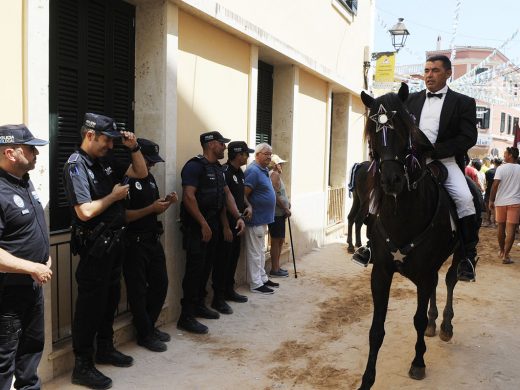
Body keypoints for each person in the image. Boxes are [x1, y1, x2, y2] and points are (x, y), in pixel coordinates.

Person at [353, 55, 479, 282]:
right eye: (427, 70)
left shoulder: (464, 102)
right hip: (411, 161)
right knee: (375, 196)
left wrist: (435, 151)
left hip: (445, 161)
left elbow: (468, 137)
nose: (429, 75)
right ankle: (371, 245)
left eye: (435, 71)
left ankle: (467, 257)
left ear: (448, 73)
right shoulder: (408, 100)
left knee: (465, 200)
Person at [63, 113, 148, 389]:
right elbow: (85, 211)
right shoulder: (76, 166)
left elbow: (142, 172)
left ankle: (105, 348)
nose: (110, 147)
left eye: (114, 142)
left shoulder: (106, 161)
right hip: (94, 247)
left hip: (114, 243)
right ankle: (83, 366)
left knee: (110, 300)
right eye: (106, 141)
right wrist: (113, 196)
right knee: (90, 307)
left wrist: (133, 147)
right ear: (90, 135)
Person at [0, 124, 52, 390]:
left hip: (32, 288)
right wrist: (31, 265)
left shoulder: (24, 181)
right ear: (11, 152)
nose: (36, 154)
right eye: (31, 148)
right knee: (3, 363)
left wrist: (43, 259)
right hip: (8, 295)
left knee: (30, 356)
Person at [177, 131, 245, 334]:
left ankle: (199, 304)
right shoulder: (193, 166)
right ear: (211, 144)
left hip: (213, 225)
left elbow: (227, 196)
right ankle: (186, 316)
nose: (225, 147)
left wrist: (238, 216)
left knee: (206, 268)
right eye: (222, 144)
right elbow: (188, 197)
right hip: (197, 228)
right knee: (194, 271)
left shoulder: (217, 168)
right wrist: (203, 223)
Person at [123, 138, 177, 353]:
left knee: (161, 284)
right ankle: (144, 334)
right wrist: (151, 209)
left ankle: (150, 326)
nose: (152, 165)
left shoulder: (150, 179)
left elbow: (154, 208)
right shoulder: (126, 180)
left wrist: (166, 203)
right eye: (149, 161)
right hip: (134, 243)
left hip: (152, 240)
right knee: (137, 291)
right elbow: (124, 216)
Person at [213, 141, 254, 314]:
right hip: (227, 224)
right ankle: (218, 298)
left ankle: (229, 290)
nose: (248, 157)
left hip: (239, 222)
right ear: (238, 155)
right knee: (222, 261)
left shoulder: (240, 172)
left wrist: (248, 205)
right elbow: (222, 202)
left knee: (233, 258)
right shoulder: (225, 172)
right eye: (246, 154)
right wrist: (225, 227)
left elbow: (239, 195)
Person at [244, 143, 279, 294]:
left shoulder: (263, 170)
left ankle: (262, 278)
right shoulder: (253, 171)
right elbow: (244, 194)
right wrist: (249, 207)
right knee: (255, 252)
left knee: (260, 250)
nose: (269, 157)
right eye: (266, 154)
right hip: (255, 219)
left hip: (263, 219)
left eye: (270, 154)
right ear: (257, 154)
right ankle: (255, 283)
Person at [489, 147, 520, 264]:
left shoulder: (501, 168)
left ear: (511, 155)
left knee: (500, 227)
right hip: (515, 202)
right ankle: (506, 256)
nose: (504, 156)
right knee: (511, 228)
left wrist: (491, 200)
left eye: (505, 154)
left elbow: (495, 185)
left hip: (500, 202)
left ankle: (502, 251)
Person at [268, 154, 291, 278]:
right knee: (276, 241)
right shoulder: (275, 175)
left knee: (280, 240)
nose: (282, 166)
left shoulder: (275, 175)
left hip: (279, 213)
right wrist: (285, 207)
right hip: (277, 213)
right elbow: (274, 196)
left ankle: (276, 267)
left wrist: (287, 203)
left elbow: (280, 193)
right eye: (281, 164)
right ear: (276, 165)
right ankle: (274, 269)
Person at [484, 158, 502, 226]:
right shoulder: (502, 172)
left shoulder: (488, 172)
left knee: (487, 205)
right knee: (497, 207)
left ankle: (488, 220)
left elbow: (486, 183)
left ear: (494, 163)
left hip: (489, 191)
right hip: (499, 191)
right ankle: (495, 222)